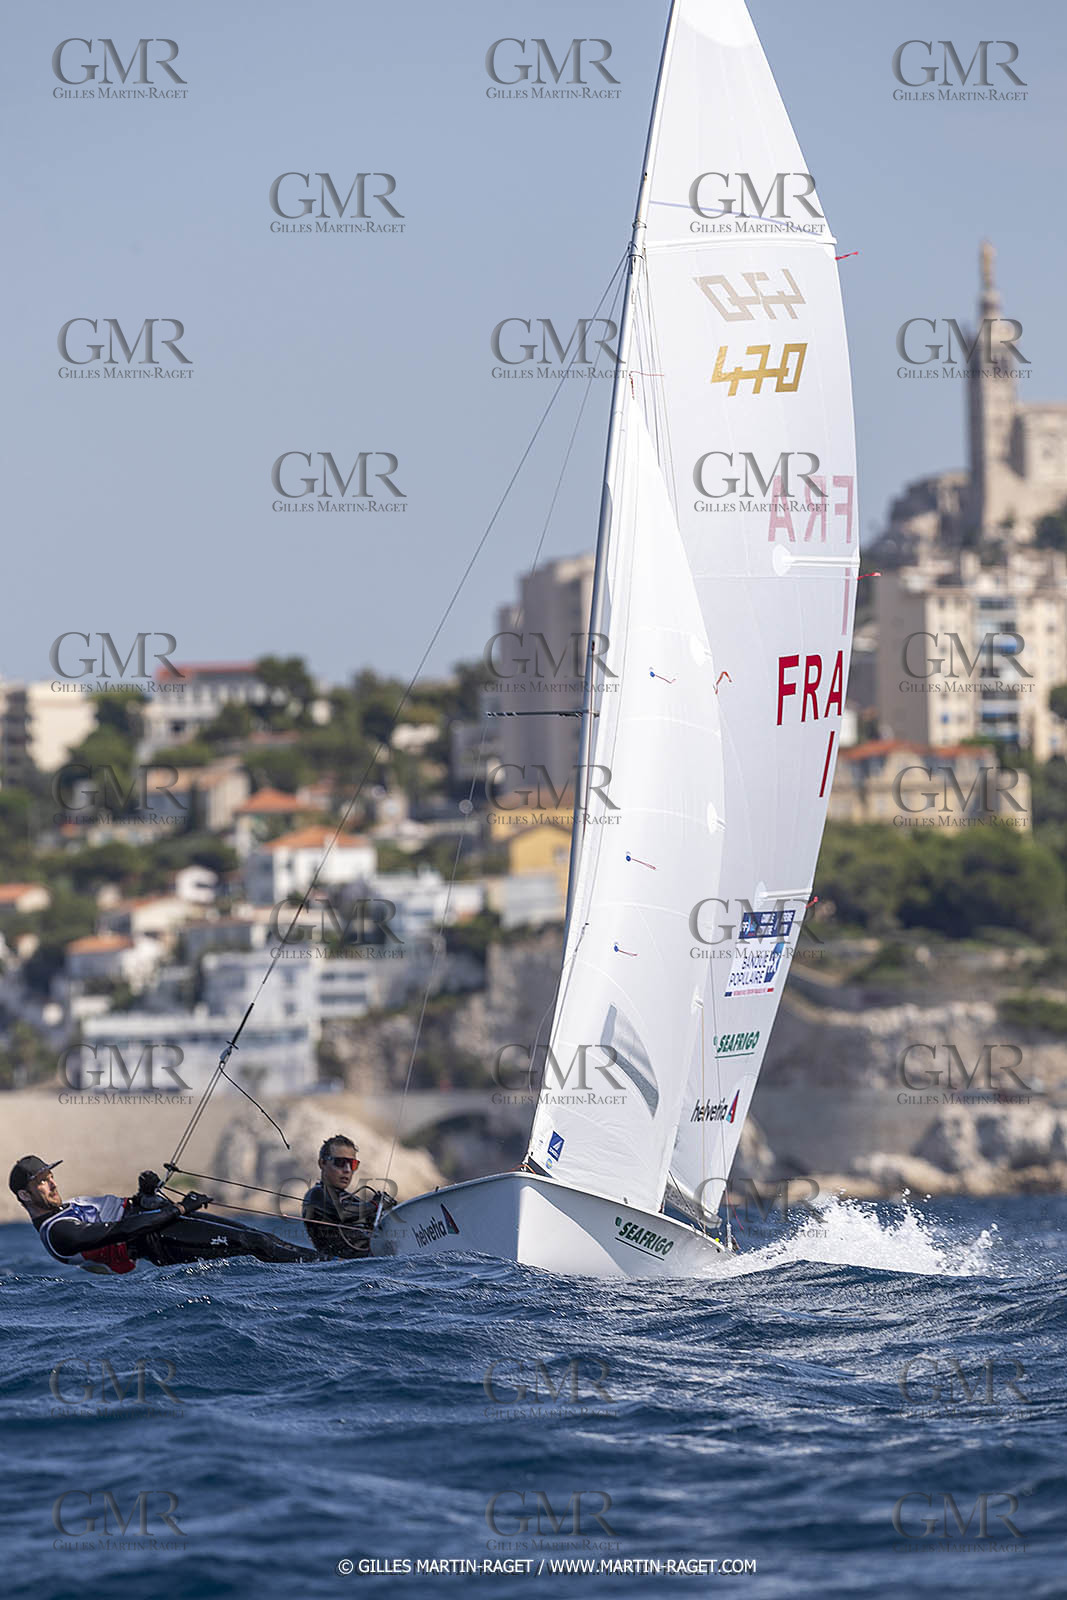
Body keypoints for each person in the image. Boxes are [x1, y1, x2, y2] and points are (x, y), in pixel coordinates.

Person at [10, 1155, 316, 1274]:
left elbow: (123, 1212)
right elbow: (121, 1231)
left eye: (50, 1176)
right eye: (42, 1181)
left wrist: (144, 1193)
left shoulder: (68, 1207)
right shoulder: (57, 1233)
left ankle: (328, 1264)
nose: (52, 1183)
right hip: (158, 1240)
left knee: (259, 1238)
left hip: (161, 1221)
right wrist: (180, 1208)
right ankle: (325, 1271)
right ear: (25, 1195)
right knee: (254, 1243)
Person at [301, 1134, 396, 1259]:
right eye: (340, 1162)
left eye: (352, 1164)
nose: (347, 1170)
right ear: (322, 1163)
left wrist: (386, 1210)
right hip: (346, 1267)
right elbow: (343, 1212)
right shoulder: (316, 1194)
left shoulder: (352, 1200)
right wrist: (375, 1205)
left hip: (373, 1260)